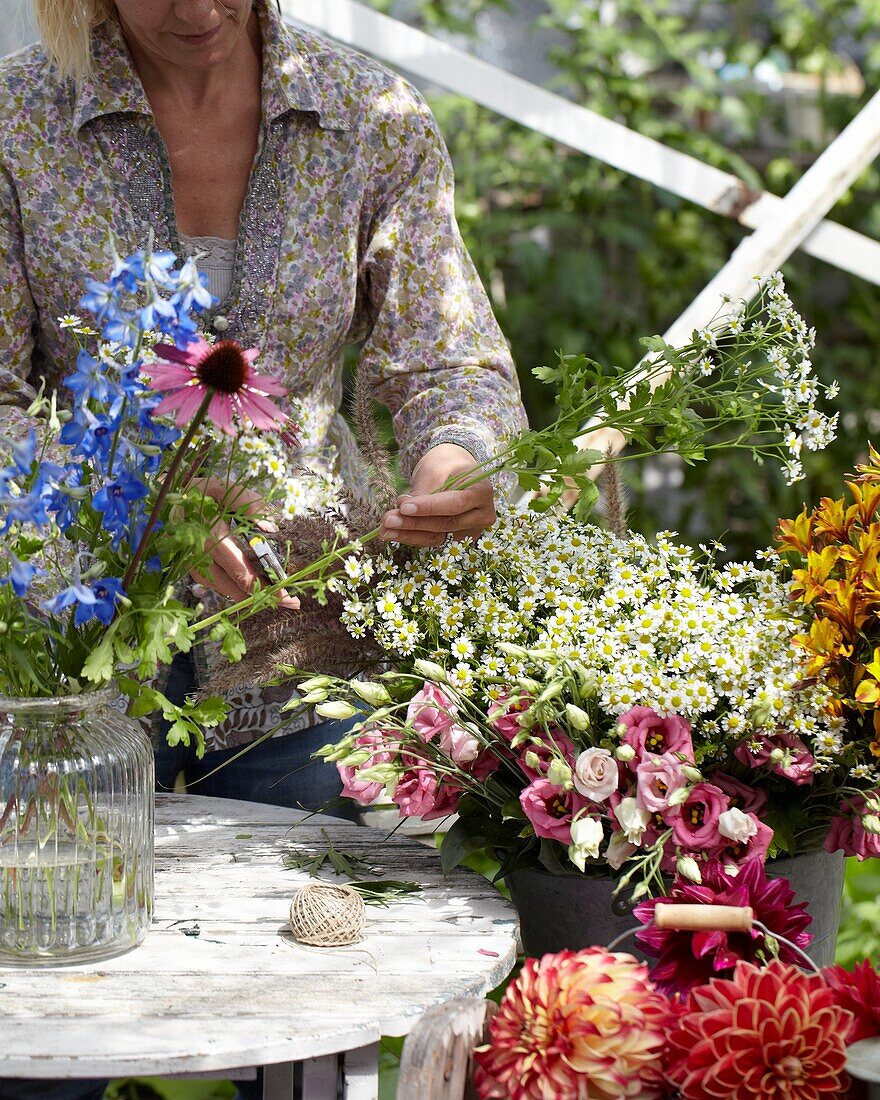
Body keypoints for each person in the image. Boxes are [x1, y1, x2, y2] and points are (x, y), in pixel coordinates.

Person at [0, 0, 526, 1095]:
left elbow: (452, 359)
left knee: (304, 1011)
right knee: (46, 1011)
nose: (196, 8)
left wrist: (457, 457)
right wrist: (146, 502)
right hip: (70, 677)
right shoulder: (18, 123)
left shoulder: (365, 114)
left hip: (302, 655)